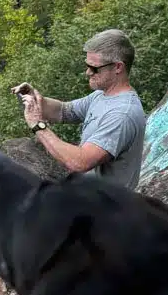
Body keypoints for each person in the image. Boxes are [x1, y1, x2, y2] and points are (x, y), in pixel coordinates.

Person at [15, 28, 146, 189]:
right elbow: (65, 111)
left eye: (94, 68)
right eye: (87, 65)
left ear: (118, 67)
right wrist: (36, 100)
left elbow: (80, 162)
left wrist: (38, 125)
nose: (87, 72)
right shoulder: (102, 95)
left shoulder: (121, 114)